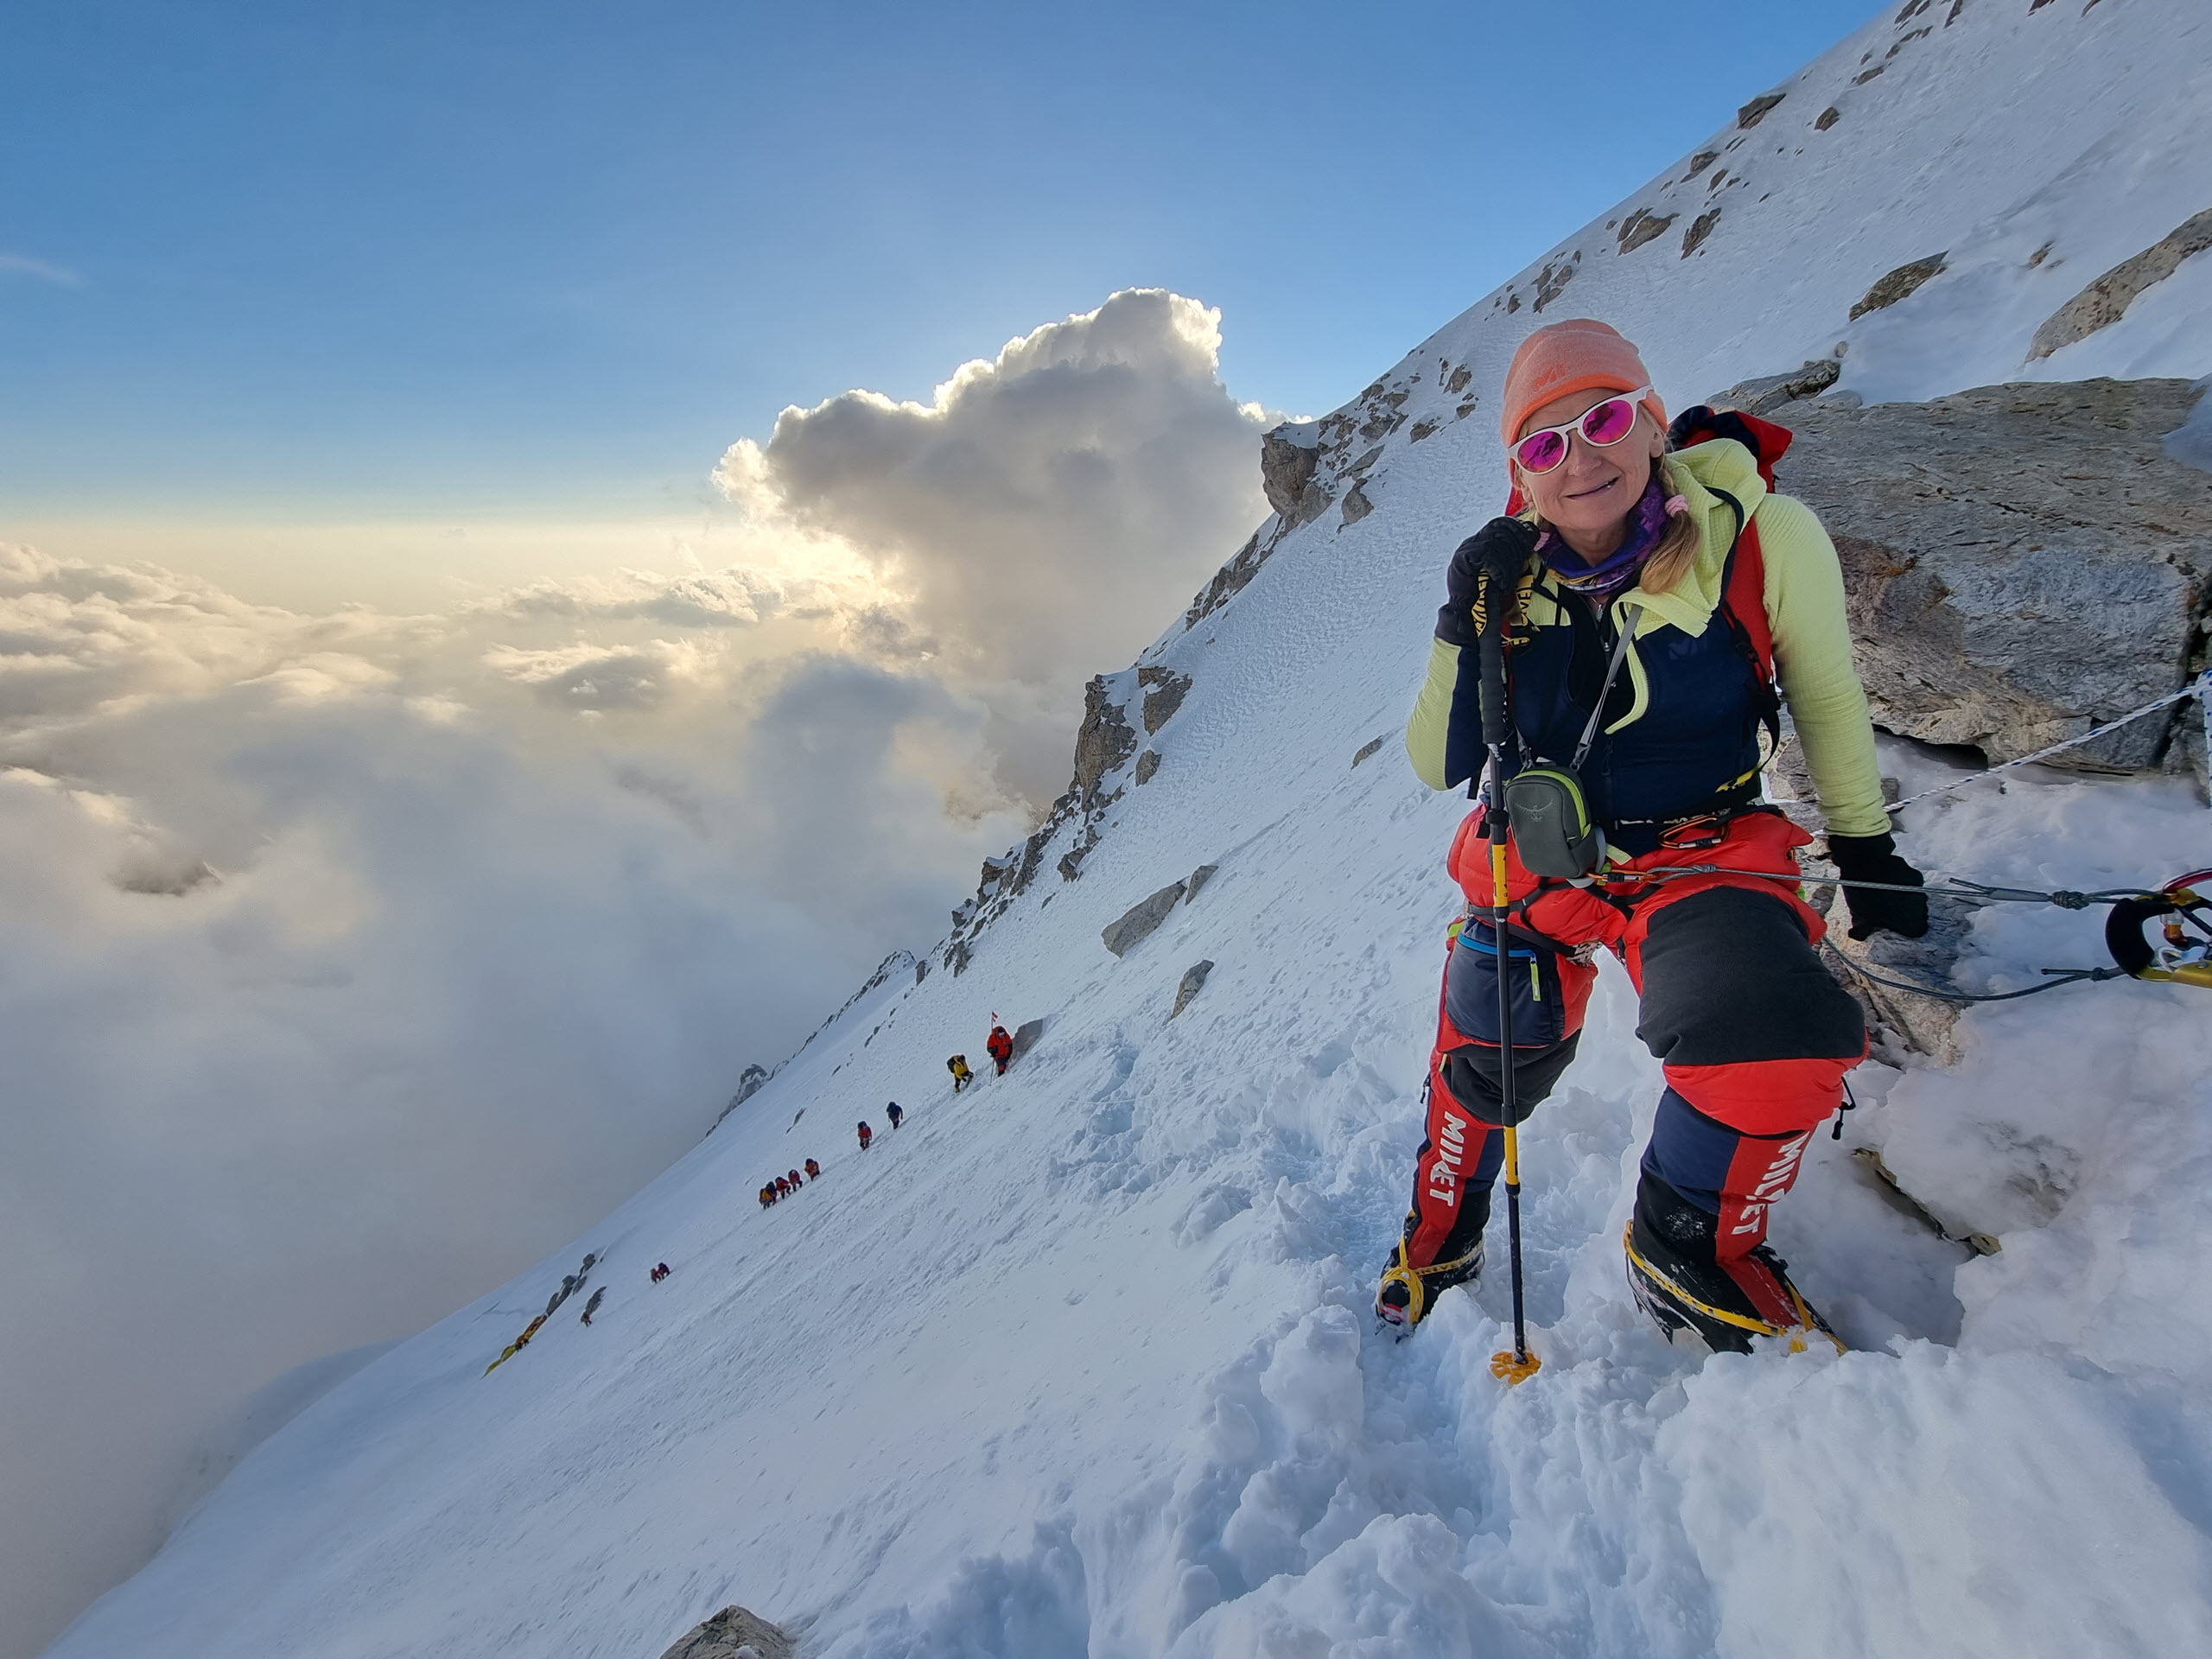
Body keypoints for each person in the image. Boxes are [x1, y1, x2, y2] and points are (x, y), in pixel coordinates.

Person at [1377, 318, 1928, 1354]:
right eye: (1544, 443)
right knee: (1488, 1061)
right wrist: (1462, 622)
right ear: (1518, 470)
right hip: (1533, 855)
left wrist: (1865, 846)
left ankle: (1685, 1243)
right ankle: (1439, 1237)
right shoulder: (1506, 576)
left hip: (1701, 851)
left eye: (1604, 421)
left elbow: (1824, 695)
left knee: (1776, 1041)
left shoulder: (1760, 536)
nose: (1579, 459)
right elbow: (1434, 760)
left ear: (1652, 424)